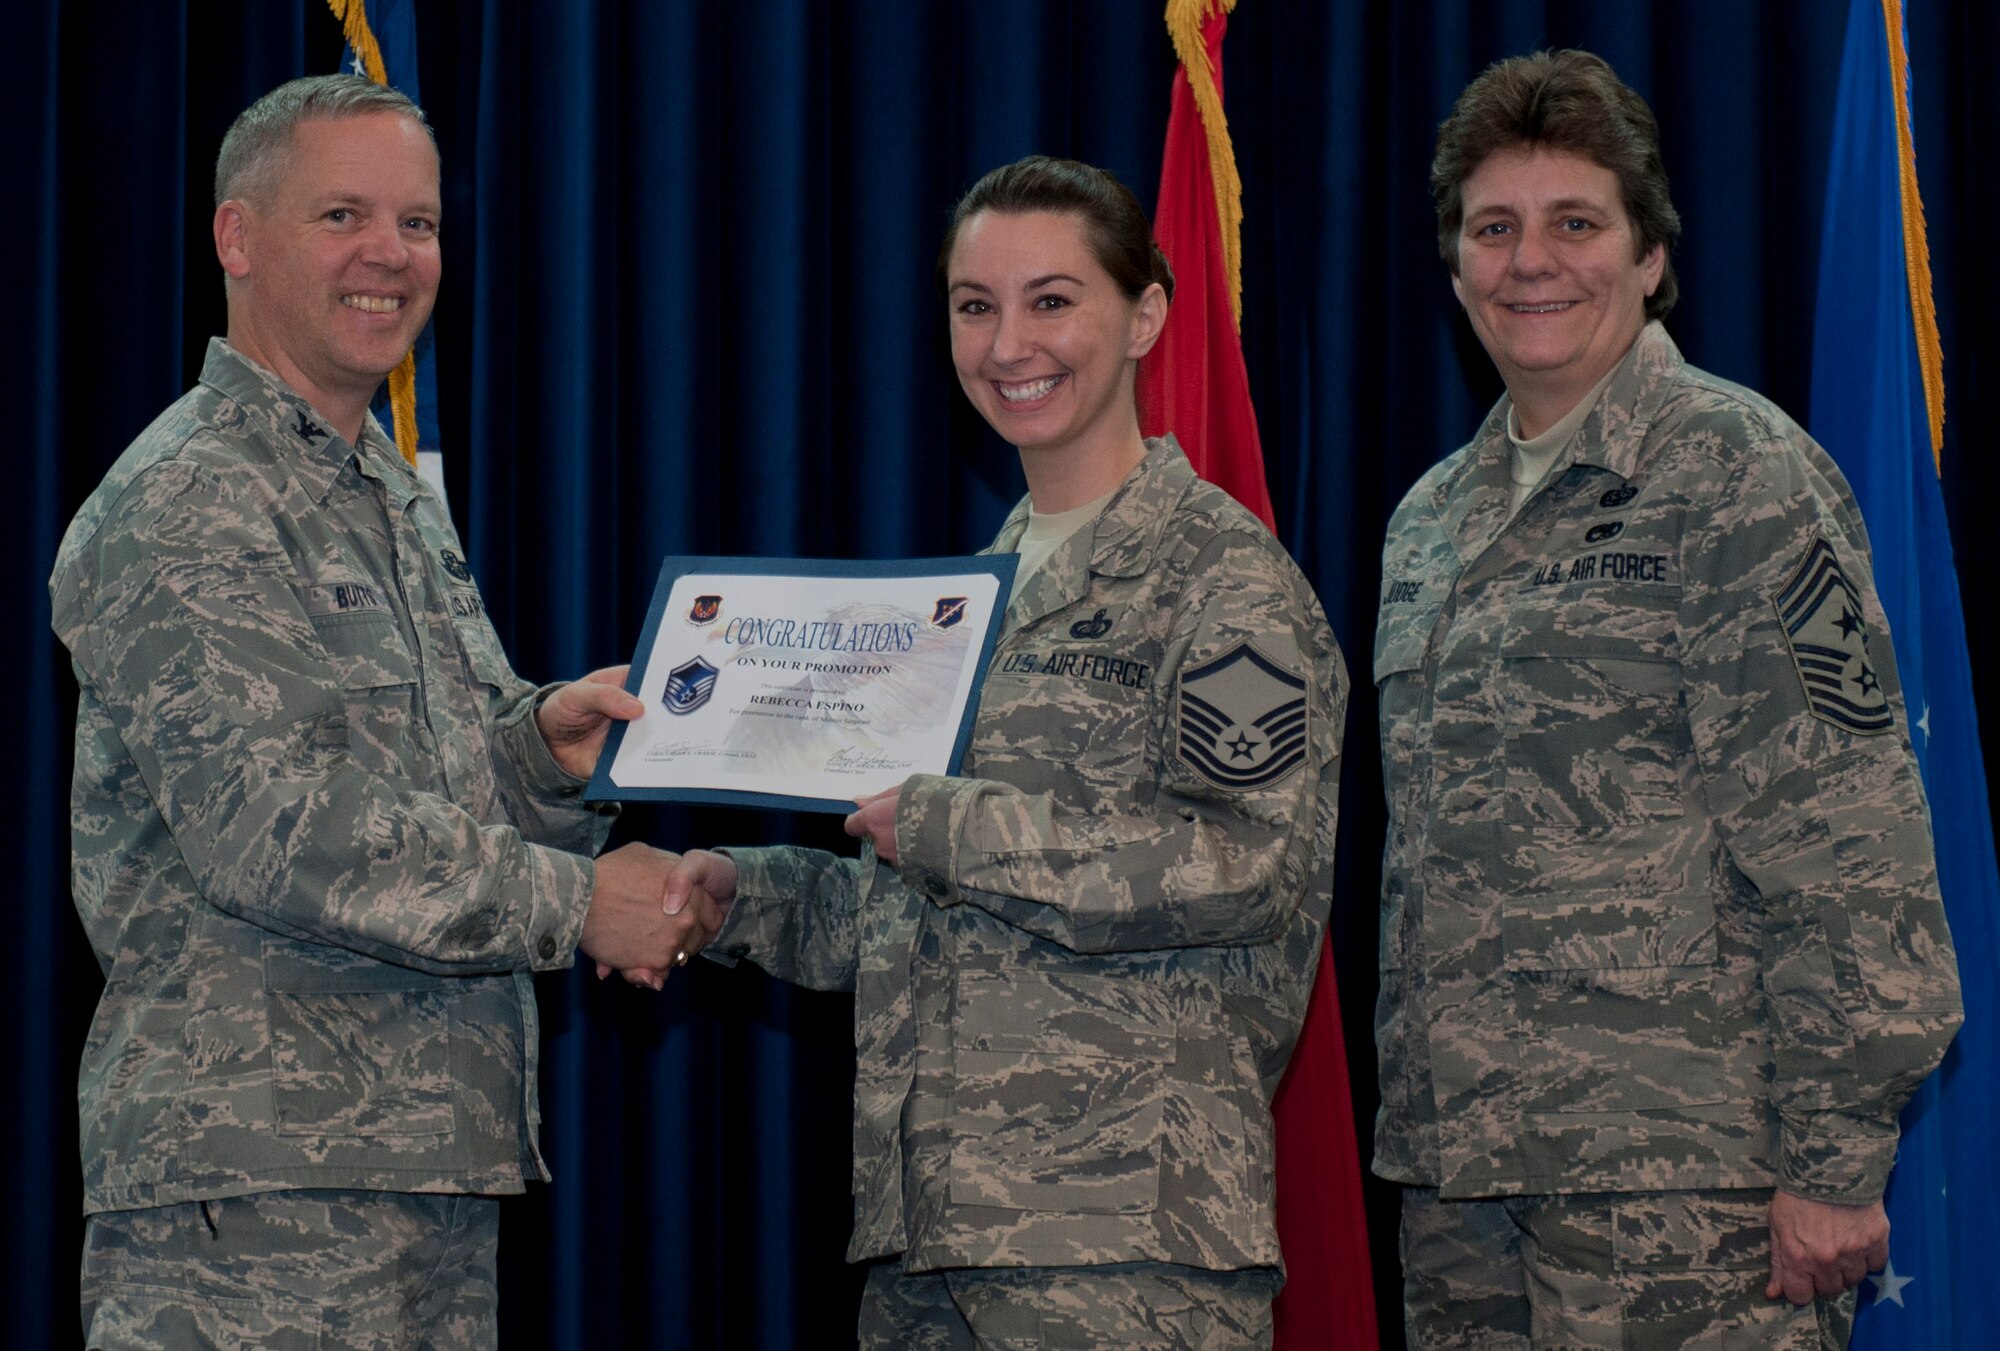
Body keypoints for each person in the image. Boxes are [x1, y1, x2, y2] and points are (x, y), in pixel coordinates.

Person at [50, 75, 720, 1348]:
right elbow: (280, 828)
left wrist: (543, 751)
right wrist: (577, 902)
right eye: (342, 215)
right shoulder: (191, 497)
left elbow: (437, 783)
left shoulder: (390, 495)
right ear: (237, 237)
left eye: (419, 223)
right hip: (257, 1198)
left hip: (427, 1172)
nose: (391, 255)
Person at [657, 156, 1348, 1348]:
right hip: (928, 1240)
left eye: (1051, 300)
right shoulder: (972, 596)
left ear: (1144, 316)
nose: (1008, 343)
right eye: (974, 305)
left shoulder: (1222, 581)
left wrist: (947, 823)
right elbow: (926, 911)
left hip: (1123, 1248)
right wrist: (741, 899)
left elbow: (1240, 866)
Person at [1372, 49, 1963, 1349]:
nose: (1531, 261)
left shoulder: (1740, 471)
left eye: (1576, 223)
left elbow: (1849, 830)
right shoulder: (1426, 523)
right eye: (1494, 228)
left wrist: (1835, 1154)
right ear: (1454, 265)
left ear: (1649, 256)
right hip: (1462, 1183)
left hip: (1690, 1185)